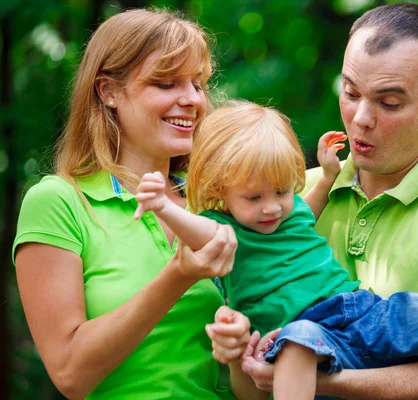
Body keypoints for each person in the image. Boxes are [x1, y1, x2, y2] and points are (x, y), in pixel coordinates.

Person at [134, 100, 418, 400]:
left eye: (281, 191)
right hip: (299, 331)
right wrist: (164, 205)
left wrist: (327, 173)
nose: (271, 207)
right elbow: (198, 229)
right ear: (221, 192)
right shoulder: (224, 230)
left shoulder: (291, 212)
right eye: (254, 196)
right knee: (299, 342)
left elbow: (312, 201)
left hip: (359, 310)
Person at [239, 3, 418, 399]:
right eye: (350, 92)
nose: (361, 118)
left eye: (388, 103)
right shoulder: (284, 201)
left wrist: (318, 378)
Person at [12, 9, 251, 400]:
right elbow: (70, 375)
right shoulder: (60, 202)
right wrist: (177, 276)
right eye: (166, 83)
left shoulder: (216, 202)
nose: (191, 99)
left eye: (198, 83)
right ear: (108, 92)